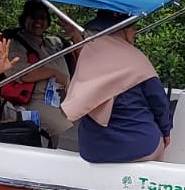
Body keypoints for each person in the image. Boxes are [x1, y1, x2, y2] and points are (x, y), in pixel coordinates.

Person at [62, 11, 173, 163]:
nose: (135, 32)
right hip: (140, 147)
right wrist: (166, 132)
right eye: (133, 28)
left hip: (92, 149)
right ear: (124, 32)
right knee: (160, 142)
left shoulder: (87, 57)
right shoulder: (137, 60)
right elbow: (159, 104)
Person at [1, 0, 77, 147]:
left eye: (42, 18)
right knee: (68, 131)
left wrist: (74, 33)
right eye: (33, 17)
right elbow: (22, 74)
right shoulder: (15, 43)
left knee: (90, 122)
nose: (38, 22)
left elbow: (84, 53)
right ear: (24, 19)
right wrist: (53, 73)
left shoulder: (54, 42)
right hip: (35, 100)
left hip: (66, 97)